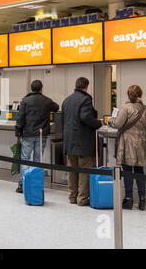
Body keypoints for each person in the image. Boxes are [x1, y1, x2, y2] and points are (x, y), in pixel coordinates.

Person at [108, 85, 146, 210]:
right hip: (142, 143)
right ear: (140, 94)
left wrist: (111, 120)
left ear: (128, 95)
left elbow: (118, 124)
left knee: (127, 171)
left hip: (128, 143)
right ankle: (142, 199)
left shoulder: (125, 108)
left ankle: (128, 199)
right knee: (139, 171)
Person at [61, 77, 102, 206]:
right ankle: (82, 199)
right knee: (84, 170)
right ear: (86, 87)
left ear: (76, 85)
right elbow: (85, 117)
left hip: (69, 141)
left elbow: (63, 121)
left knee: (72, 170)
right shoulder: (85, 99)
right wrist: (97, 123)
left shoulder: (66, 100)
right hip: (83, 141)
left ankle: (72, 197)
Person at [15, 80, 59, 193]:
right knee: (37, 160)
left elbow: (20, 118)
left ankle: (22, 185)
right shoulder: (47, 100)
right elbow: (56, 107)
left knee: (25, 159)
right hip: (41, 135)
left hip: (28, 134)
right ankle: (36, 183)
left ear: (31, 88)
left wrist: (18, 132)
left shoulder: (25, 100)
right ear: (41, 88)